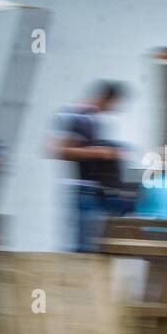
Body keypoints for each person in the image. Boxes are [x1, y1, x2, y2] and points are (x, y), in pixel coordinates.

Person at [49, 81, 135, 252]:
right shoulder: (80, 117)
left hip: (97, 190)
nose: (115, 109)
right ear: (108, 99)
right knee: (84, 247)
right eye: (115, 104)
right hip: (85, 189)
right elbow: (59, 150)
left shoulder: (92, 120)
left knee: (95, 244)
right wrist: (101, 152)